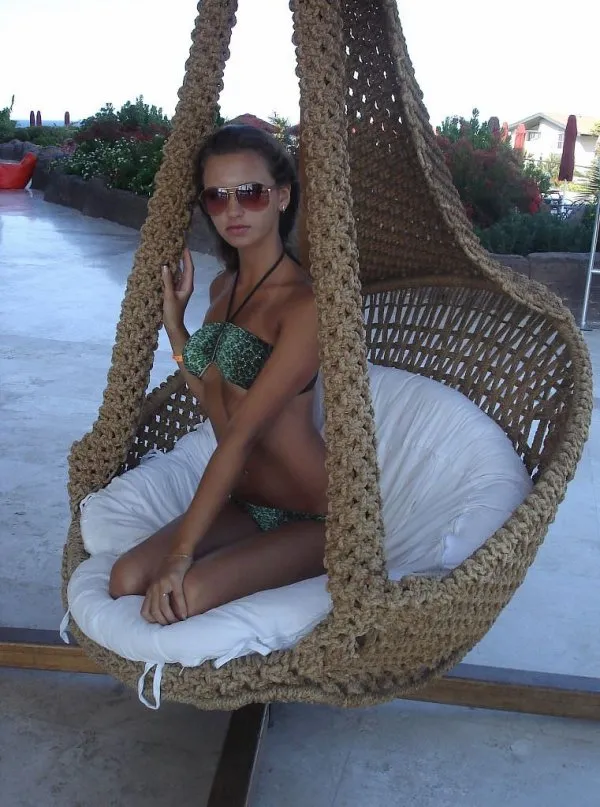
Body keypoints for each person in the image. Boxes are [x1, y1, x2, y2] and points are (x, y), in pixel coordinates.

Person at [109, 125, 328, 625]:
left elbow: (242, 434)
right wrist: (175, 327)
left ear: (281, 197)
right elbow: (213, 397)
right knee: (125, 579)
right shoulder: (222, 289)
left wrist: (180, 555)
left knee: (181, 595)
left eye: (250, 193)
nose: (233, 210)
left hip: (315, 516)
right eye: (217, 196)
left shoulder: (305, 306)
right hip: (246, 504)